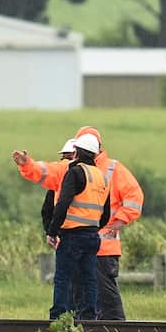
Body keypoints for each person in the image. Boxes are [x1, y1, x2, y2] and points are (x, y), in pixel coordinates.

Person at [13, 125, 144, 319]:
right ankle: (99, 331)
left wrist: (119, 221)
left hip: (93, 244)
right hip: (96, 241)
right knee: (84, 293)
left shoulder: (102, 169)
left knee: (96, 293)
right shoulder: (87, 169)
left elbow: (134, 197)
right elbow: (46, 171)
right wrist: (27, 165)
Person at [45, 133, 110, 321]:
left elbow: (63, 203)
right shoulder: (102, 177)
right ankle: (89, 315)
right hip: (92, 235)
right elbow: (106, 213)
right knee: (89, 277)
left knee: (63, 277)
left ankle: (58, 316)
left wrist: (52, 230)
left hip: (72, 235)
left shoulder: (74, 172)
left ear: (77, 152)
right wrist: (93, 227)